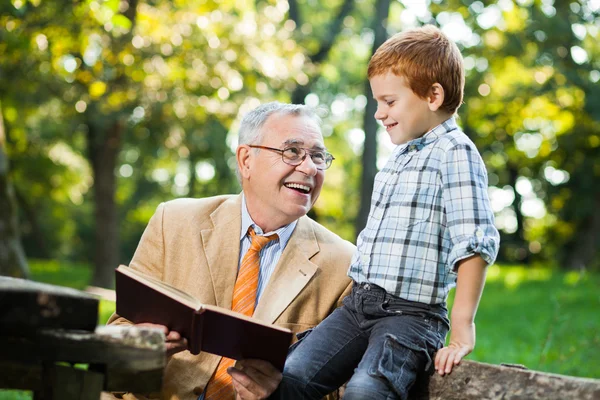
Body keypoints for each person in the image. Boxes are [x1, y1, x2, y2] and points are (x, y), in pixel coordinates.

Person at [274, 25, 500, 400]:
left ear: (433, 96)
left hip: (412, 316)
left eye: (389, 102)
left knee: (366, 390)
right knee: (294, 373)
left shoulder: (455, 153)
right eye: (377, 102)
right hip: (358, 305)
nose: (379, 113)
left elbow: (473, 244)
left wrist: (462, 330)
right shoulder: (398, 159)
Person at [102, 102, 355, 400]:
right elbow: (117, 339)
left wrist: (282, 393)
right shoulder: (172, 221)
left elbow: (342, 388)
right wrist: (144, 350)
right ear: (246, 160)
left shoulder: (345, 265)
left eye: (318, 156)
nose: (310, 167)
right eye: (292, 152)